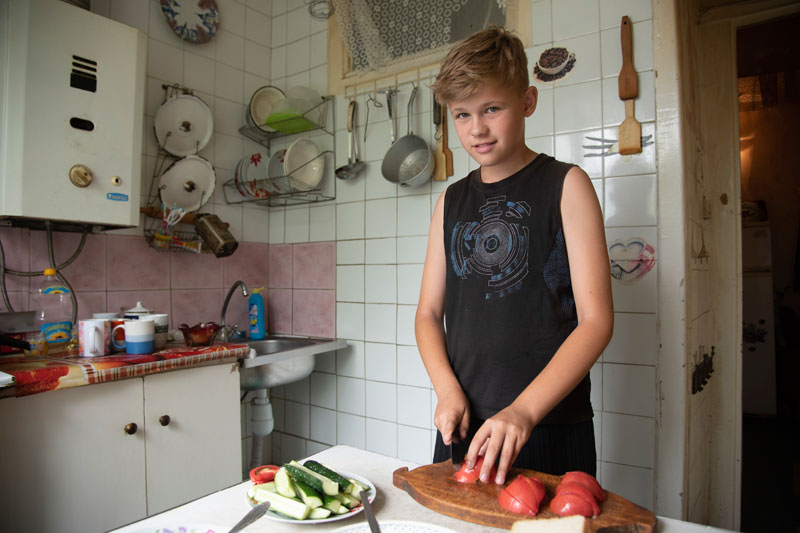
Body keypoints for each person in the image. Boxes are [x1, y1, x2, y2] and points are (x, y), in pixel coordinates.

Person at [416, 26, 614, 486]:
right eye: (461, 115)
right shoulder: (449, 201)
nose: (477, 128)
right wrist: (447, 391)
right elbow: (427, 314)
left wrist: (523, 410)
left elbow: (597, 321)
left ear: (527, 102)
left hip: (544, 425)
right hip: (464, 425)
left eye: (491, 108)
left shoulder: (567, 185)